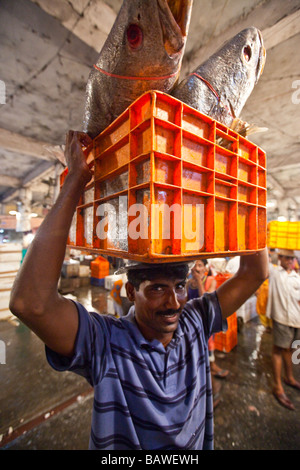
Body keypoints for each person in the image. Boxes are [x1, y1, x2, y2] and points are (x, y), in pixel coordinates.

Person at [9, 131, 269, 450]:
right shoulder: (106, 342)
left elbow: (256, 271)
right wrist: (76, 179)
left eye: (179, 286)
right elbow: (30, 303)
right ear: (131, 292)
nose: (174, 302)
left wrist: (241, 188)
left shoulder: (194, 322)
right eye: (157, 288)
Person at [187, 260, 229, 409]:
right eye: (194, 265)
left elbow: (205, 303)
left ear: (205, 268)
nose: (196, 268)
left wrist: (199, 282)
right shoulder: (188, 283)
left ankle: (211, 394)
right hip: (192, 327)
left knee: (206, 359)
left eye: (200, 265)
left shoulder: (210, 281)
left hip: (205, 324)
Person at [266, 249, 300, 411]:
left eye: (291, 258)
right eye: (286, 257)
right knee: (278, 350)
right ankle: (278, 386)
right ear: (279, 257)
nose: (289, 261)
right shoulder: (274, 272)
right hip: (281, 319)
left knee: (291, 349)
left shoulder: (296, 276)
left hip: (296, 321)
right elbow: (263, 261)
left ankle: (290, 377)